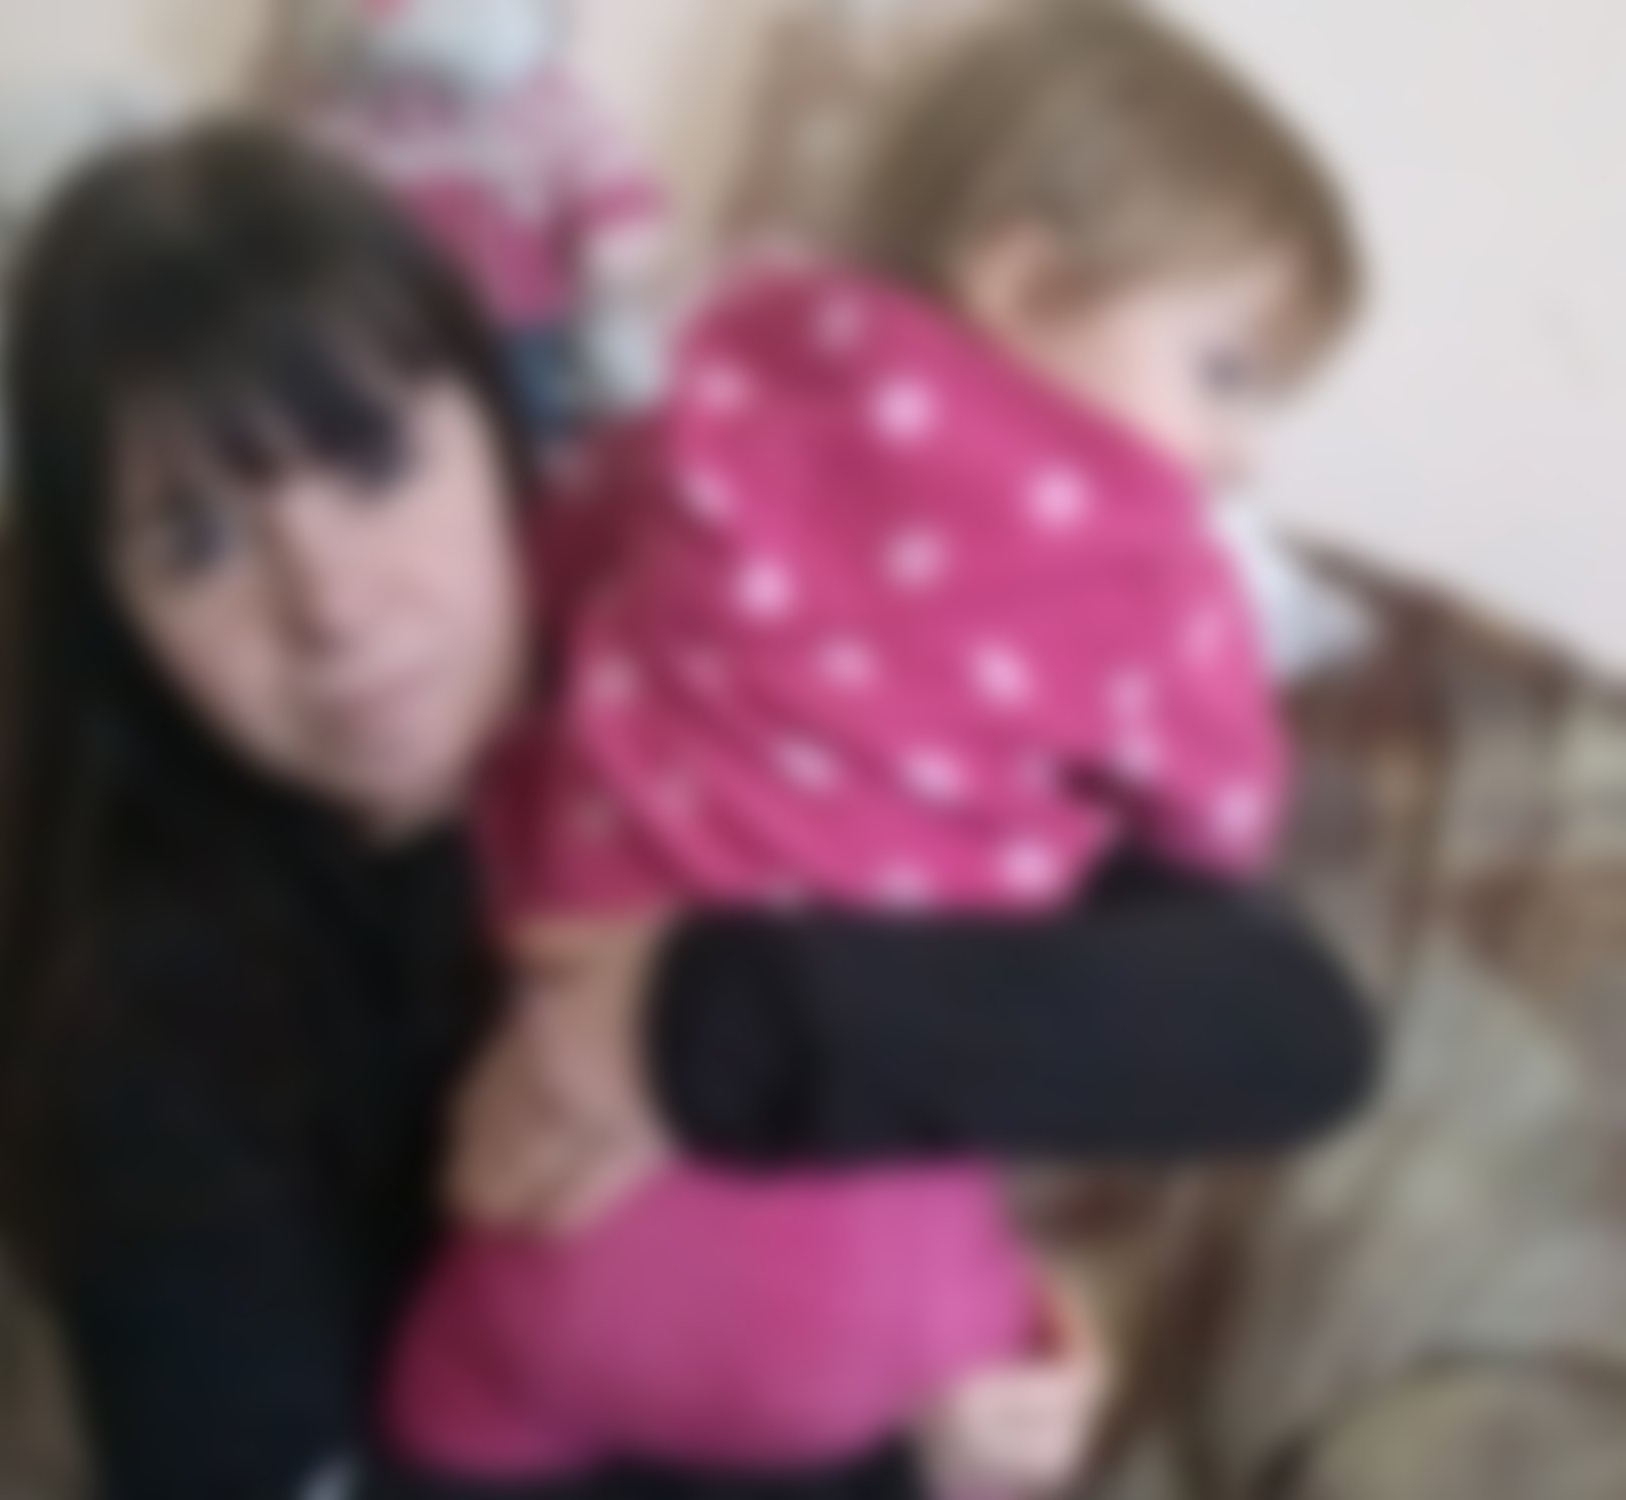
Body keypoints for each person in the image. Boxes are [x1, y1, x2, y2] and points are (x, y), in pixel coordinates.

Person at [0, 122, 1374, 1500]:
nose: (329, 605)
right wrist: (886, 1458)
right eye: (199, 540)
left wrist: (696, 1027)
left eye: (376, 462)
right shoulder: (158, 1029)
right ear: (114, 618)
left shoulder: (724, 656)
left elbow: (1292, 1031)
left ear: (498, 427)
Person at [388, 3, 1362, 1493]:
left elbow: (547, 585)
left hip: (527, 1225)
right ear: (1025, 281)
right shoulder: (1149, 568)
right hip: (838, 1316)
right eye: (1223, 372)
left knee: (455, 1404)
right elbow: (1223, 825)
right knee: (995, 1357)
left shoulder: (707, 406)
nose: (1242, 451)